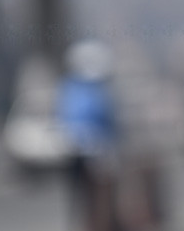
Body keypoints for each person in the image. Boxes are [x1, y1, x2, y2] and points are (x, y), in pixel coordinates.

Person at [58, 39, 121, 231]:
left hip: (81, 152)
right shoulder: (87, 90)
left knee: (86, 201)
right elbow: (102, 121)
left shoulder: (70, 87)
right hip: (90, 154)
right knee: (95, 201)